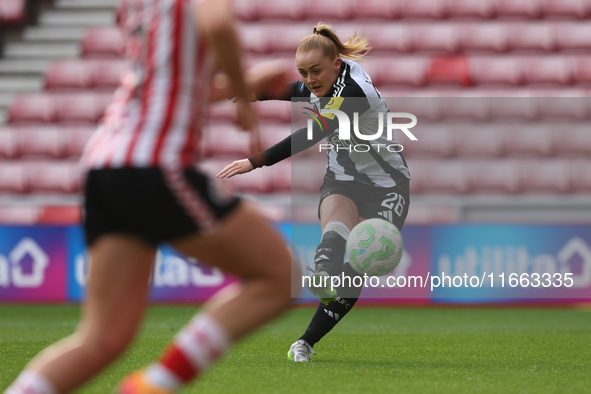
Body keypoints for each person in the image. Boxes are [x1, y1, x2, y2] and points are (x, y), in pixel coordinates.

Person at [4, 1, 297, 393]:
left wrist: (245, 84)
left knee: (102, 339)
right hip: (155, 162)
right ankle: (155, 385)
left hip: (106, 163)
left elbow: (172, 84)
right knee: (281, 276)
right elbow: (218, 24)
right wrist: (245, 98)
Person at [218, 23, 411, 362]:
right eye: (304, 72)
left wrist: (257, 161)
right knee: (336, 225)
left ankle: (305, 340)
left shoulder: (354, 92)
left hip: (387, 186)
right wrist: (258, 93)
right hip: (343, 177)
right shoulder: (329, 80)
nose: (310, 78)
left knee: (357, 267)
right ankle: (323, 274)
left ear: (337, 63)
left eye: (315, 71)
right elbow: (301, 90)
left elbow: (314, 132)